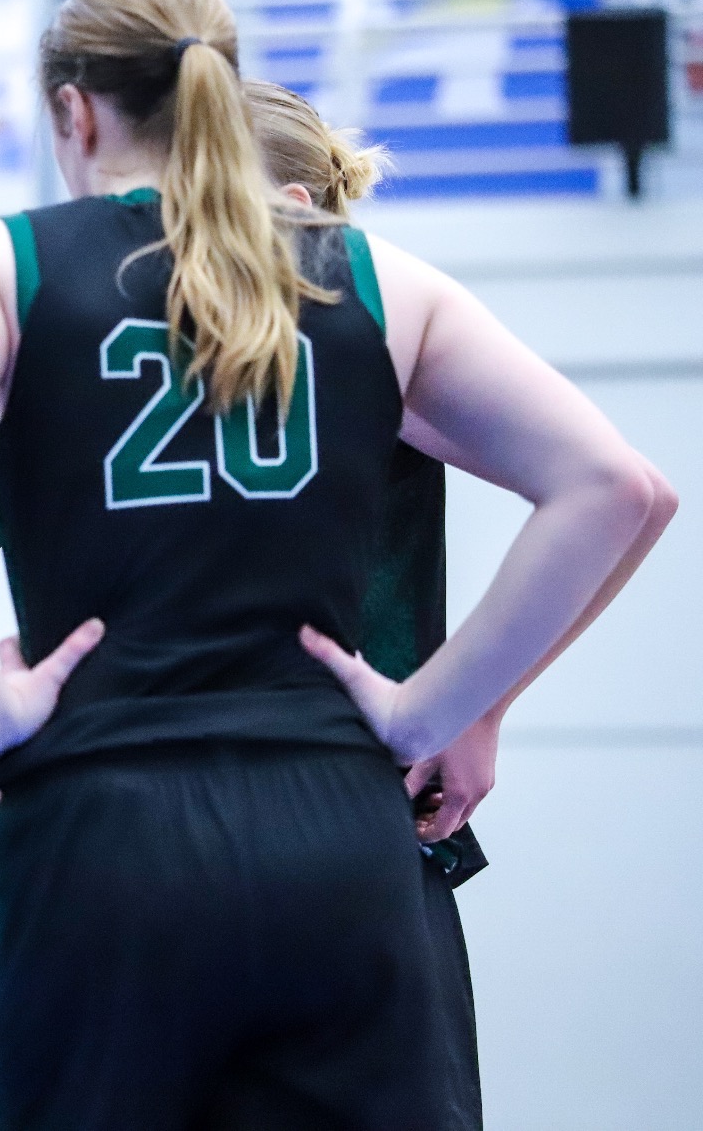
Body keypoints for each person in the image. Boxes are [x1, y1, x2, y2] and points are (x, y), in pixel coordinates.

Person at [0, 0, 673, 1129]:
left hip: (98, 828)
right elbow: (613, 487)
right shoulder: (372, 276)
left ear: (73, 110)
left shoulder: (9, 259)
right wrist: (435, 708)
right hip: (331, 831)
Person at [247, 78, 679, 1130]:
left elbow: (630, 493)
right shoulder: (143, 367)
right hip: (217, 825)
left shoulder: (362, 338)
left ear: (294, 208)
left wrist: (476, 706)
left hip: (354, 823)